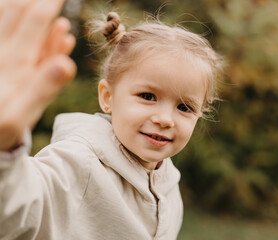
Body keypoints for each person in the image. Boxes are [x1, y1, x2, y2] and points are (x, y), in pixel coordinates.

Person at [0, 0, 222, 239]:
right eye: (147, 96)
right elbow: (16, 214)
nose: (165, 119)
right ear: (108, 97)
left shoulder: (168, 182)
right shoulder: (79, 163)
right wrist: (5, 151)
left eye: (184, 107)